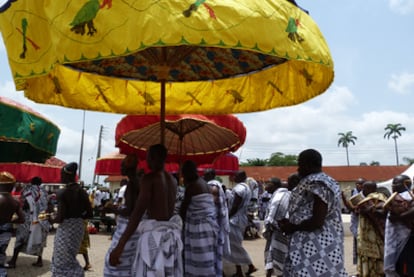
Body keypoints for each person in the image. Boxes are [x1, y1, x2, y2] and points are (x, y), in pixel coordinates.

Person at [109, 144, 183, 276]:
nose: (146, 161)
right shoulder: (172, 180)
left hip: (154, 237)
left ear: (153, 157)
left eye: (148, 157)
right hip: (170, 236)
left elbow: (137, 213)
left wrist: (120, 246)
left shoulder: (149, 179)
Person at [279, 149, 347, 276]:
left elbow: (317, 221)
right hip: (313, 241)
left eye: (300, 164)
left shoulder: (319, 183)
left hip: (316, 243)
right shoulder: (328, 181)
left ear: (308, 164)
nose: (298, 168)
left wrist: (293, 227)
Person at [51, 162, 93, 277]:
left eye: (61, 174)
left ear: (66, 175)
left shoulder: (62, 193)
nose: (60, 177)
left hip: (66, 228)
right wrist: (77, 218)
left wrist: (51, 219)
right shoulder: (83, 192)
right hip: (79, 228)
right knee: (70, 255)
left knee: (61, 259)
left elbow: (59, 218)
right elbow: (90, 214)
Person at [104, 153, 142, 277]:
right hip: (135, 227)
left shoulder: (132, 184)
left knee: (115, 262)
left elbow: (130, 211)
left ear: (128, 167)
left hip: (128, 227)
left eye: (122, 165)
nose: (120, 168)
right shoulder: (138, 182)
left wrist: (112, 209)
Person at [180, 161, 220, 276]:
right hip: (208, 226)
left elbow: (183, 209)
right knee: (206, 257)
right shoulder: (204, 184)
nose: (182, 175)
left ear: (188, 173)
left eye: (183, 172)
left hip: (198, 228)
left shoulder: (192, 187)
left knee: (199, 258)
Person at [7, 176, 51, 268]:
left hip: (29, 219)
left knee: (20, 238)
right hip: (42, 220)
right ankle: (39, 261)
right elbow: (48, 205)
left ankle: (13, 261)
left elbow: (25, 205)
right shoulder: (44, 191)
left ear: (31, 182)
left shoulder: (27, 191)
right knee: (40, 240)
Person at [224, 170, 258, 277]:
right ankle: (239, 270)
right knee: (234, 245)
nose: (234, 177)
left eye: (236, 175)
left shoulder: (239, 188)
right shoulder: (247, 188)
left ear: (241, 177)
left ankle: (250, 265)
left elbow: (235, 206)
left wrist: (227, 217)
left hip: (235, 220)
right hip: (241, 219)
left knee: (236, 246)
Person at [384, 174, 414, 277]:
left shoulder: (405, 197)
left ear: (406, 184)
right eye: (393, 184)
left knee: (406, 269)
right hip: (401, 239)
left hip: (407, 239)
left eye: (396, 183)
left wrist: (399, 217)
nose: (393, 186)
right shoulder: (394, 198)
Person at [355, 180, 387, 277]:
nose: (362, 190)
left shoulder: (379, 198)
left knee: (375, 256)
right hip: (365, 233)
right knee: (366, 255)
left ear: (370, 189)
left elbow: (383, 211)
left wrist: (369, 209)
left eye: (364, 188)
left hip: (374, 234)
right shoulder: (364, 199)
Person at [262, 177, 291, 277]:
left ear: (274, 185)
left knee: (276, 257)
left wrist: (268, 227)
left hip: (278, 231)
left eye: (267, 183)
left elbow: (272, 216)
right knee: (274, 257)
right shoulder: (283, 194)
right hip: (280, 230)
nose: (265, 186)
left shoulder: (279, 196)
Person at [203, 168, 231, 266]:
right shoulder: (217, 185)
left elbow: (210, 203)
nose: (203, 177)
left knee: (214, 248)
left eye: (205, 175)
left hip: (214, 220)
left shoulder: (213, 186)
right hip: (218, 219)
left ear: (210, 175)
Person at [0, 172, 24, 276]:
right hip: (7, 230)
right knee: (1, 253)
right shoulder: (15, 201)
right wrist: (9, 220)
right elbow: (22, 219)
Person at [342, 177, 365, 269]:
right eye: (357, 184)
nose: (358, 186)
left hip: (364, 220)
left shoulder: (368, 193)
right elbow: (351, 208)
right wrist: (344, 198)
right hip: (356, 220)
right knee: (356, 243)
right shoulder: (353, 192)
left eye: (361, 184)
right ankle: (358, 267)